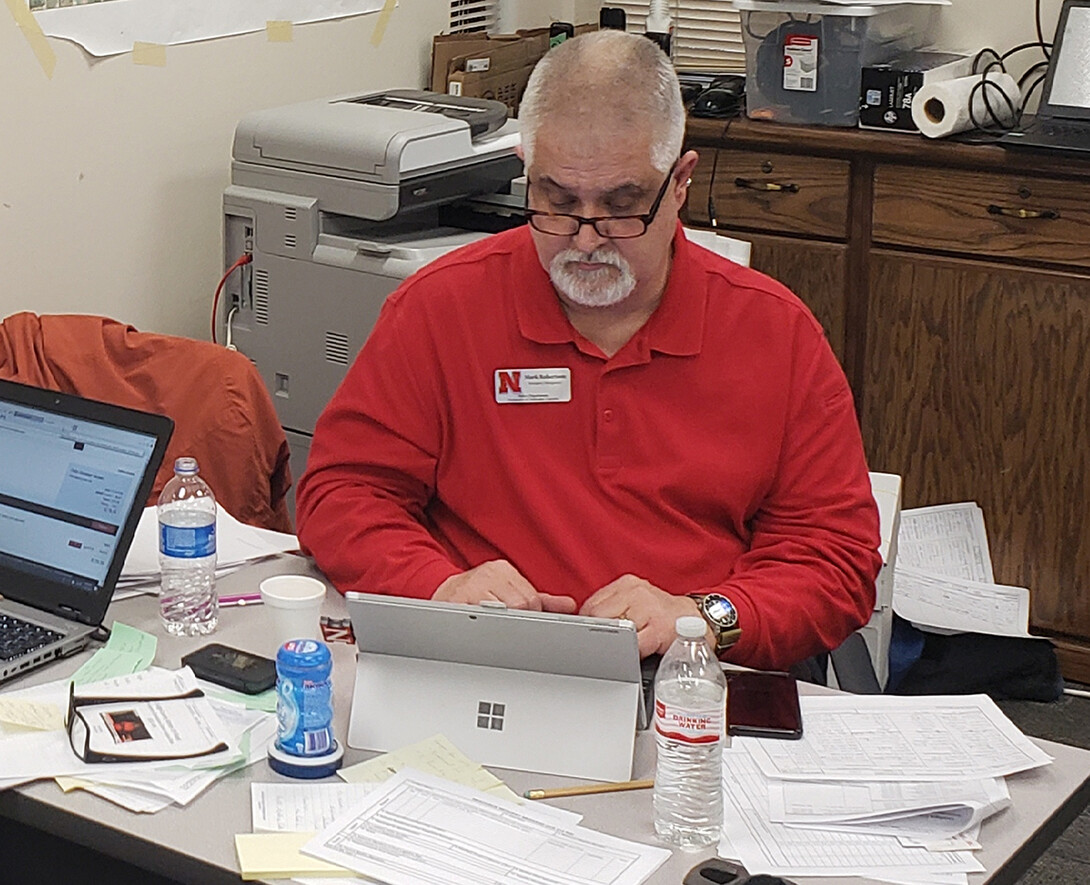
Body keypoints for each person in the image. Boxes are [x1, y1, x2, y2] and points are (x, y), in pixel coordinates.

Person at [296, 30, 881, 670]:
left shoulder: (775, 332)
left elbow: (834, 558)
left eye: (622, 206)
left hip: (686, 678)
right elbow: (343, 493)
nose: (585, 239)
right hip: (484, 662)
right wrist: (439, 585)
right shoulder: (440, 307)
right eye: (557, 202)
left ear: (680, 182)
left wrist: (702, 616)